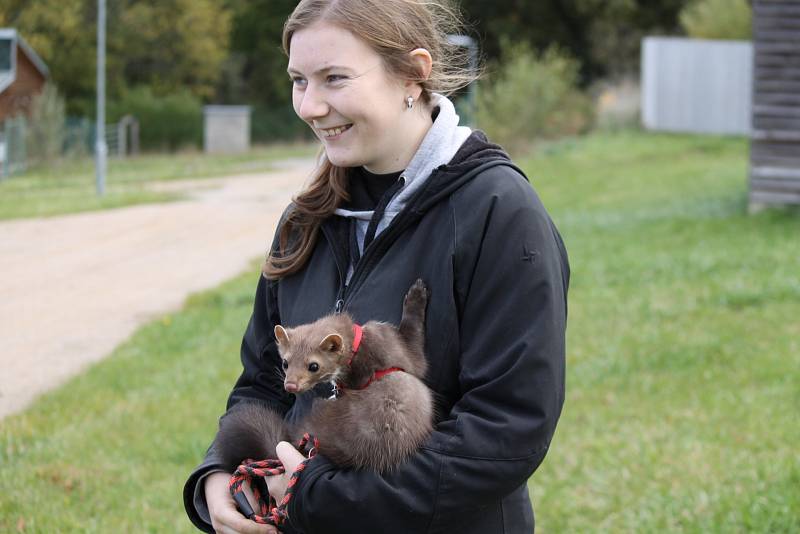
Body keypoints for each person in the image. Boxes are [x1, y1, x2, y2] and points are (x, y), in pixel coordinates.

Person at [183, 0, 570, 532]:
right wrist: (219, 472)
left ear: (413, 74)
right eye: (299, 80)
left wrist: (321, 498)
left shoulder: (500, 212)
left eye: (334, 78)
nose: (310, 106)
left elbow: (508, 430)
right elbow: (261, 385)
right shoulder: (304, 221)